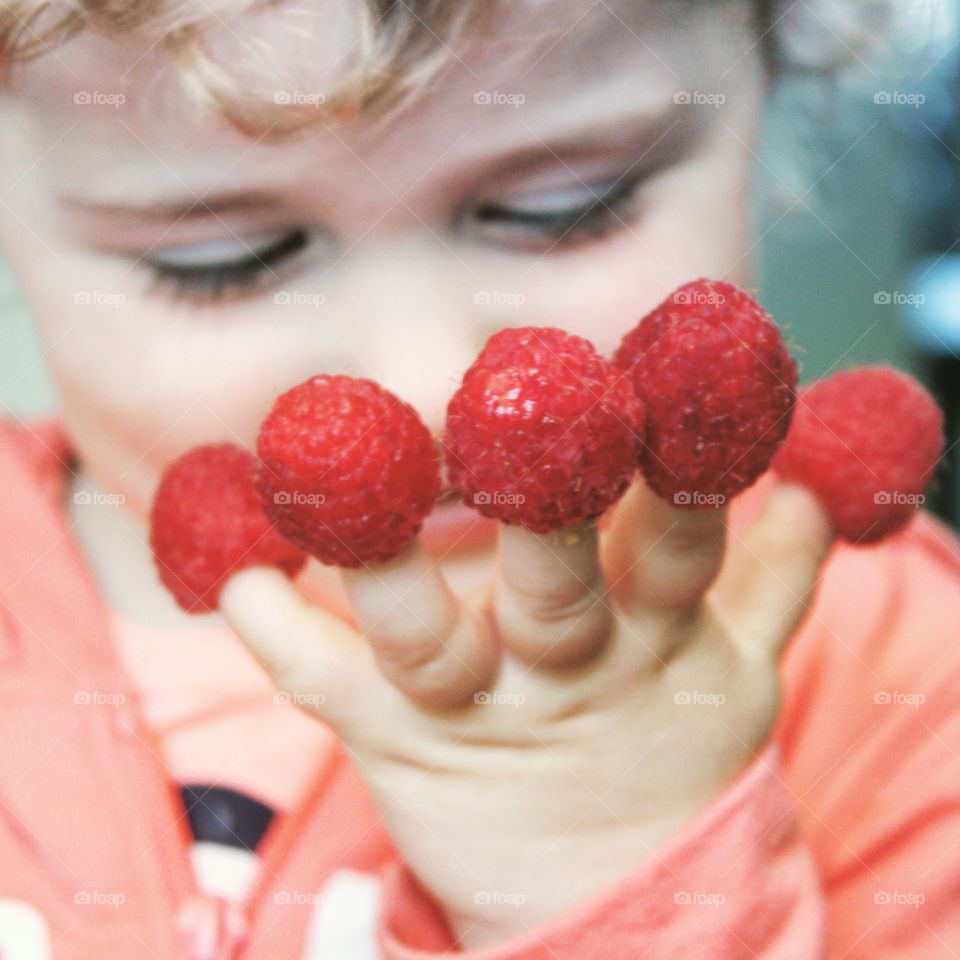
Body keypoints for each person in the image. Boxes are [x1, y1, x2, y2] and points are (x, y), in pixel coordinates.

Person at [1, 1, 958, 957]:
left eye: (567, 206)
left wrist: (625, 883)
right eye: (223, 261)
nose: (423, 383)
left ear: (774, 91)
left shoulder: (908, 676)